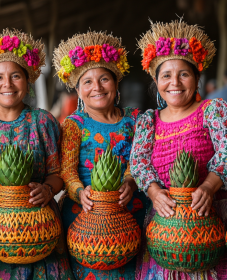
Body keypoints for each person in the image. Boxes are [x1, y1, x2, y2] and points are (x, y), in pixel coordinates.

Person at [130, 19, 227, 279]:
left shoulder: (214, 110)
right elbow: (139, 164)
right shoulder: (149, 121)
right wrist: (155, 193)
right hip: (164, 230)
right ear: (157, 82)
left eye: (183, 74)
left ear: (196, 78)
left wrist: (208, 187)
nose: (175, 82)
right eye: (166, 75)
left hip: (209, 222)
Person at [0, 29, 73, 279]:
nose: (7, 84)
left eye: (16, 76)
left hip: (39, 222)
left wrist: (47, 189)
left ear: (28, 80)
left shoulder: (43, 122)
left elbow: (58, 174)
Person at [53, 31, 149, 279]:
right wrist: (78, 192)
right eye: (87, 82)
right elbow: (67, 170)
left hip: (130, 208)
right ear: (78, 89)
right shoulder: (74, 124)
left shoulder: (135, 119)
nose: (97, 87)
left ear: (116, 83)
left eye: (104, 79)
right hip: (85, 213)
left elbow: (139, 158)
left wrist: (129, 180)